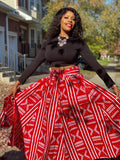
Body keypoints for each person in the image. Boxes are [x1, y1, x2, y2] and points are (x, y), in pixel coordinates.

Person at [0, 7, 120, 160]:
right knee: (52, 125)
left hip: (73, 85)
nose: (70, 21)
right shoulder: (49, 43)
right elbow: (34, 63)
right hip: (52, 85)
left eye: (73, 19)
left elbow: (94, 63)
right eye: (66, 17)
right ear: (59, 20)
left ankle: (78, 153)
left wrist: (112, 84)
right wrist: (18, 82)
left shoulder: (78, 42)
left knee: (74, 124)